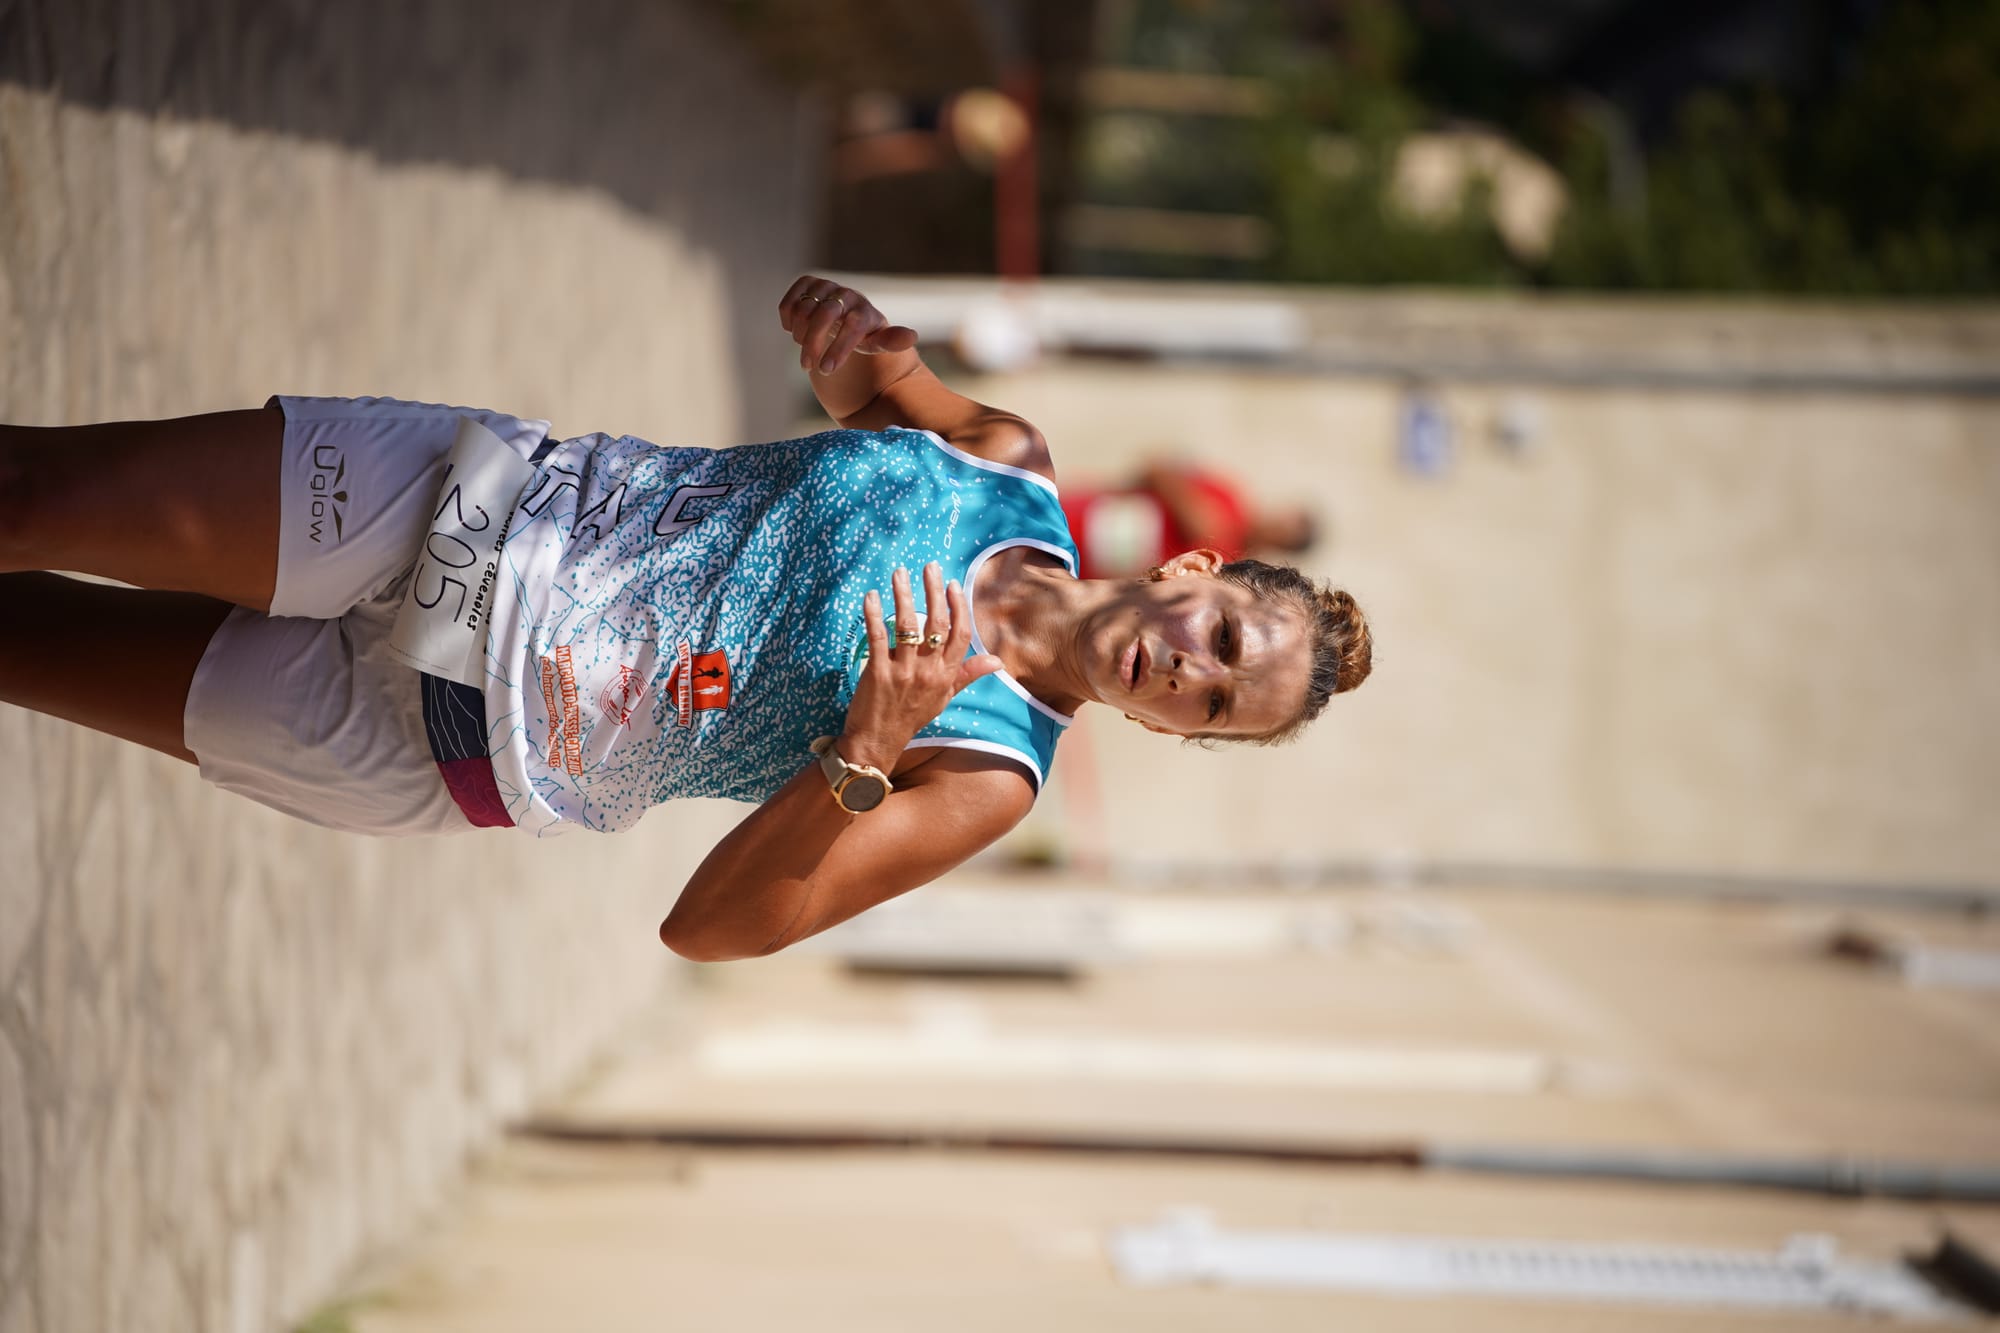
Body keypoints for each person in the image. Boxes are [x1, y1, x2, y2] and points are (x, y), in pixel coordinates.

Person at [0, 276, 1372, 960]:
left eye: (1208, 707)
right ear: (1199, 570)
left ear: (1172, 727)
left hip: (438, 743)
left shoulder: (987, 776)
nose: (1187, 673)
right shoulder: (1002, 458)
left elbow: (715, 930)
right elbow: (870, 395)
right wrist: (856, 340)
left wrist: (865, 745)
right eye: (1225, 645)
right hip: (478, 511)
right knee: (34, 491)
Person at [1061, 460, 1318, 582]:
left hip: (1089, 570)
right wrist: (1190, 507)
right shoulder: (1228, 496)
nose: (1276, 528)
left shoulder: (1234, 570)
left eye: (1285, 535)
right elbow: (1155, 467)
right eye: (1285, 521)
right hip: (1089, 515)